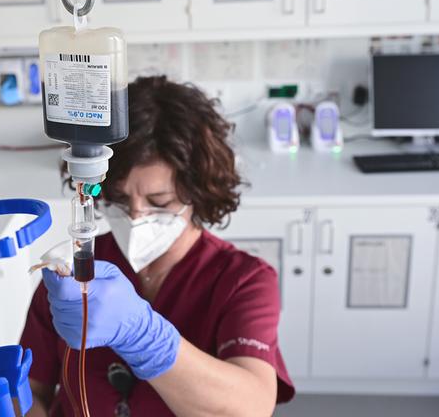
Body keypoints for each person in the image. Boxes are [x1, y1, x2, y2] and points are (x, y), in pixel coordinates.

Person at [21, 76, 294, 416]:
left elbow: (251, 406)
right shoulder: (75, 272)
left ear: (197, 191)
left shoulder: (243, 281)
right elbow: (29, 390)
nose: (135, 216)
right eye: (119, 199)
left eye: (159, 201)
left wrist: (144, 336)